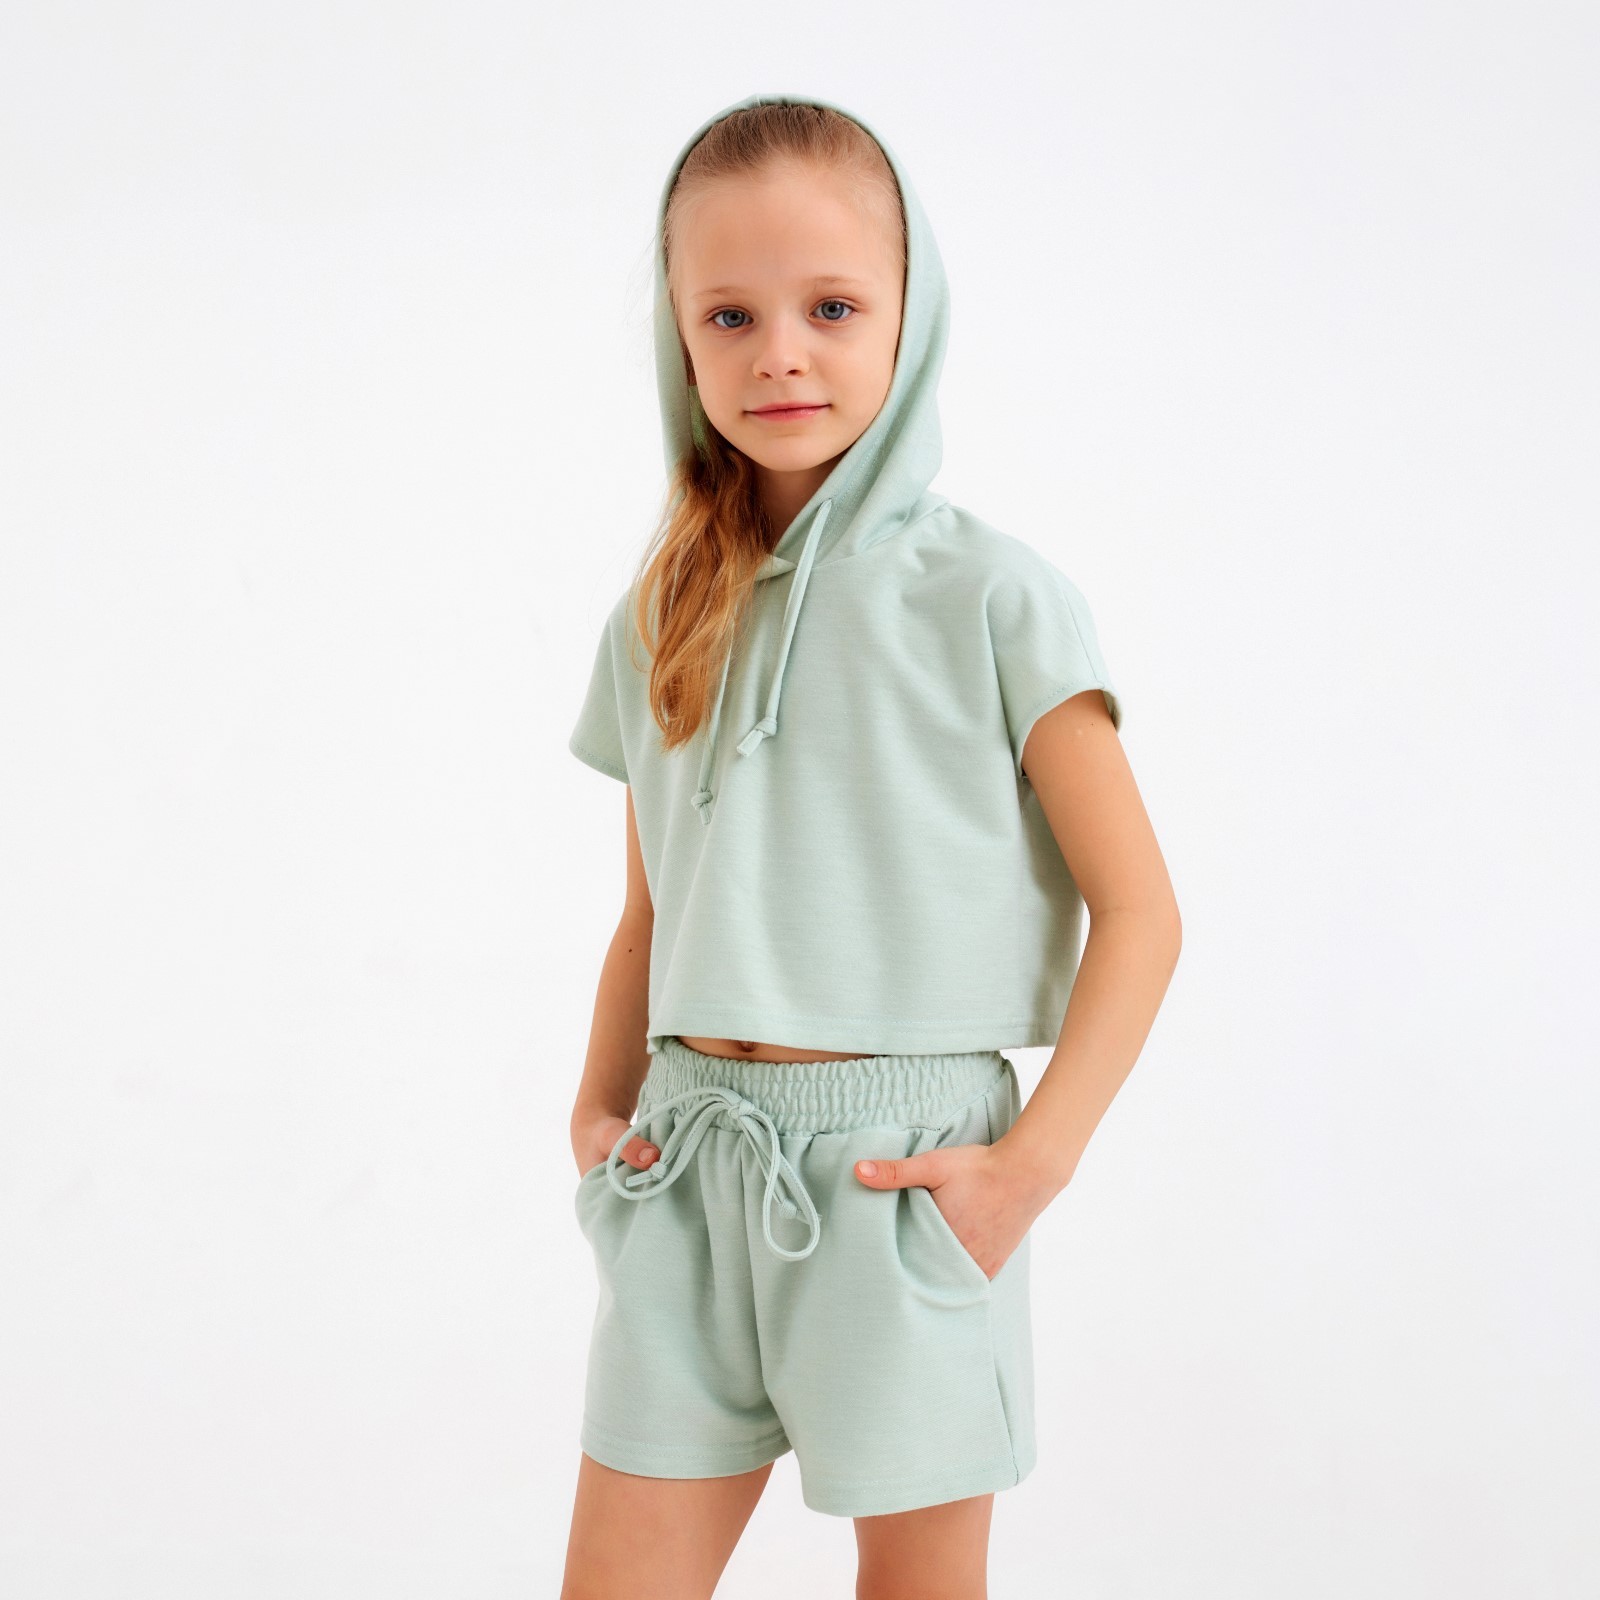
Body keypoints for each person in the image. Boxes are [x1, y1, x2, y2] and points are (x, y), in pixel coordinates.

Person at [561, 91, 1181, 1597]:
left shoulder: (995, 597)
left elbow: (1143, 913)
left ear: (913, 312)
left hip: (904, 1179)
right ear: (679, 339)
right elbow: (651, 909)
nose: (780, 352)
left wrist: (1027, 1170)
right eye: (730, 314)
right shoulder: (662, 610)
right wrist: (596, 1112)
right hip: (686, 1161)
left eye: (831, 307)